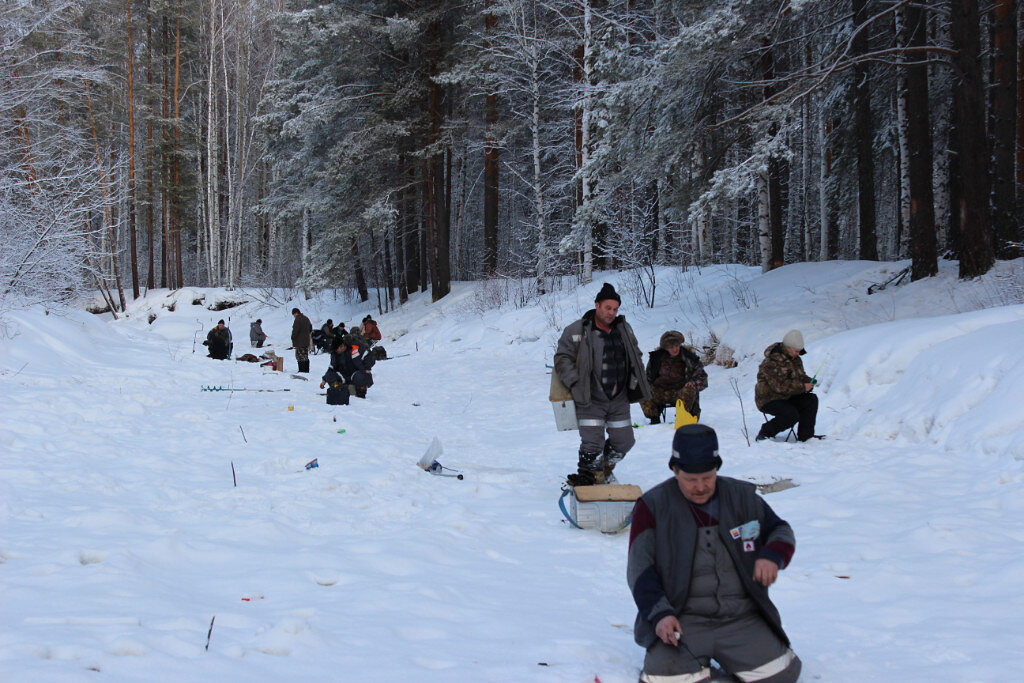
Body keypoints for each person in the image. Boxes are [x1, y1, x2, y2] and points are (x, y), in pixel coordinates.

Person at [627, 424, 801, 683]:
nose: (700, 487)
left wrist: (772, 555)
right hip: (682, 620)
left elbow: (780, 530)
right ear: (675, 470)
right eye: (690, 480)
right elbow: (639, 569)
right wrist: (660, 614)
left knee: (781, 675)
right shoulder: (652, 506)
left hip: (741, 617)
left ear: (717, 468)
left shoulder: (742, 497)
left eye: (708, 477)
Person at [554, 282, 651, 486]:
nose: (612, 313)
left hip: (619, 398)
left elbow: (636, 354)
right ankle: (591, 478)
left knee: (625, 441)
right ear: (597, 305)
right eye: (608, 308)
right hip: (590, 398)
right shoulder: (577, 329)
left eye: (615, 309)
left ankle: (603, 468)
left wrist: (635, 378)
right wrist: (575, 382)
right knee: (592, 443)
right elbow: (562, 357)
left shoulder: (624, 329)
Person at [755, 330, 818, 442]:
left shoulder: (796, 359)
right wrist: (803, 387)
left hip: (787, 397)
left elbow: (800, 376)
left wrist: (809, 381)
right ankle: (765, 432)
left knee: (811, 399)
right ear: (787, 347)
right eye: (795, 351)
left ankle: (806, 436)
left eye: (799, 351)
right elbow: (779, 386)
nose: (797, 354)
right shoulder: (772, 361)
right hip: (769, 399)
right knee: (791, 414)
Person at [641, 331, 709, 425]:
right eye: (671, 347)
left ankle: (682, 418)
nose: (675, 349)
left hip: (681, 393)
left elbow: (703, 378)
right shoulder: (656, 358)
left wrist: (693, 383)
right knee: (642, 388)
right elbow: (647, 378)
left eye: (676, 345)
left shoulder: (690, 358)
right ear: (666, 348)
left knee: (689, 389)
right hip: (660, 392)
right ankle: (654, 419)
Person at [330, 333, 375, 398]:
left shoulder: (357, 349)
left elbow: (368, 357)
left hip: (359, 374)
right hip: (349, 375)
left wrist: (367, 368)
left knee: (359, 377)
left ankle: (360, 391)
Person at [291, 307, 313, 373]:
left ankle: (302, 370)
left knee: (299, 356)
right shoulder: (306, 318)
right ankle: (306, 370)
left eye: (293, 314)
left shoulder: (298, 319)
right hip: (306, 340)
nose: (294, 316)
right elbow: (310, 328)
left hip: (299, 341)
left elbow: (295, 330)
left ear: (296, 313)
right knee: (305, 355)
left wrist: (293, 337)